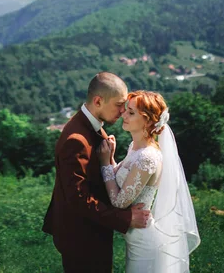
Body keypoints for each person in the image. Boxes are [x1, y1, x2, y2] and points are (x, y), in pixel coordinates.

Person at [42, 72, 151, 273]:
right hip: (81, 237)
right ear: (98, 101)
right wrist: (124, 218)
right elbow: (78, 197)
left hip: (91, 230)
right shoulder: (76, 139)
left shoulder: (92, 128)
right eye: (119, 105)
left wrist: (108, 160)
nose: (123, 111)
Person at [98, 90, 200, 272]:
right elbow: (124, 181)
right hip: (135, 238)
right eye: (126, 110)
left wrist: (105, 163)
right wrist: (112, 158)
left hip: (144, 243)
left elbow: (119, 201)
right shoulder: (135, 148)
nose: (123, 115)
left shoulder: (147, 158)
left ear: (147, 120)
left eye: (131, 112)